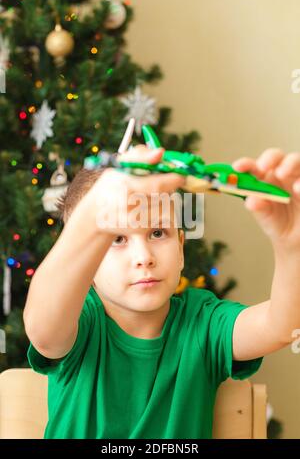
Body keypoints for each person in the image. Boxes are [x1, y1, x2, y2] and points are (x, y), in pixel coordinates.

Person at [23, 145, 300, 439]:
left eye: (157, 233)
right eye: (116, 238)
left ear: (180, 248)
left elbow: (283, 326)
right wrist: (93, 218)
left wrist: (292, 248)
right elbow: (43, 329)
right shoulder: (83, 320)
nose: (144, 257)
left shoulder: (202, 323)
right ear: (87, 263)